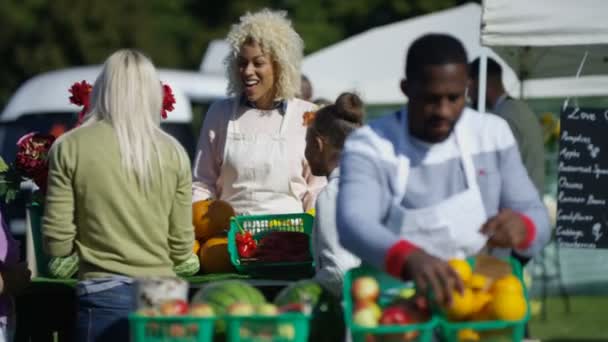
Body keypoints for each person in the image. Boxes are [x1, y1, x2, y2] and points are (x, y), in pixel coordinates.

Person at [336, 34, 551, 305]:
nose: (444, 111)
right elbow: (354, 223)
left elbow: (537, 214)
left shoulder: (491, 134)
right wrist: (409, 258)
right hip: (398, 308)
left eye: (454, 98)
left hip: (479, 305)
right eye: (431, 99)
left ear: (468, 88)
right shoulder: (370, 145)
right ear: (406, 89)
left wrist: (524, 228)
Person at [42, 49, 195, 341]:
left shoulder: (69, 146)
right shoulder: (174, 152)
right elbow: (181, 247)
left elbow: (57, 244)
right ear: (152, 94)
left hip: (101, 294)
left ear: (102, 89)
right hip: (164, 297)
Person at [192, 9, 325, 215]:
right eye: (242, 63)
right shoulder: (220, 113)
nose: (247, 71)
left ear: (280, 65)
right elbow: (202, 184)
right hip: (228, 238)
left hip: (291, 239)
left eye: (258, 63)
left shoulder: (309, 116)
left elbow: (316, 190)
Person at [304, 92, 363, 298]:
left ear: (318, 144)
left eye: (306, 143)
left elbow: (339, 273)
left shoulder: (333, 193)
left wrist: (301, 291)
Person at [469, 57, 545, 197]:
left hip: (518, 208)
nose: (468, 94)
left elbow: (497, 170)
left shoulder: (503, 116)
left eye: (469, 86)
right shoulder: (519, 109)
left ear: (480, 82)